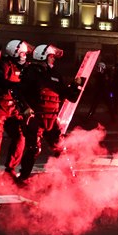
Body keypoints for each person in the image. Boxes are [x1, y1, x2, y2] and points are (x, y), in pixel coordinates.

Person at [17, 44, 82, 183]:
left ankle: (70, 177)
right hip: (36, 117)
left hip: (52, 118)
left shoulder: (56, 75)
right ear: (43, 57)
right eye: (51, 57)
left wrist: (76, 86)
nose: (53, 60)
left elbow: (69, 96)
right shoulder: (30, 72)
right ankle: (22, 178)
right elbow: (18, 92)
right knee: (33, 148)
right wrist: (25, 108)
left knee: (60, 148)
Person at [0, 39, 33, 177]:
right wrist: (13, 86)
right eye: (23, 53)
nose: (25, 56)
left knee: (20, 136)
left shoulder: (24, 68)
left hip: (14, 107)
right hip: (0, 106)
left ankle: (10, 168)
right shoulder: (3, 65)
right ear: (15, 53)